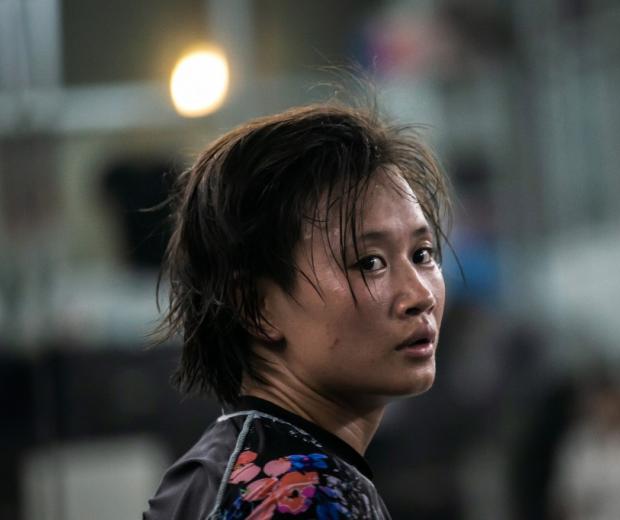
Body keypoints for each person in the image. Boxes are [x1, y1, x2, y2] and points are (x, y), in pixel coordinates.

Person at [143, 99, 450, 519]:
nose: (420, 295)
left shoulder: (221, 469)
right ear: (255, 307)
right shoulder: (302, 497)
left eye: (423, 254)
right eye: (369, 262)